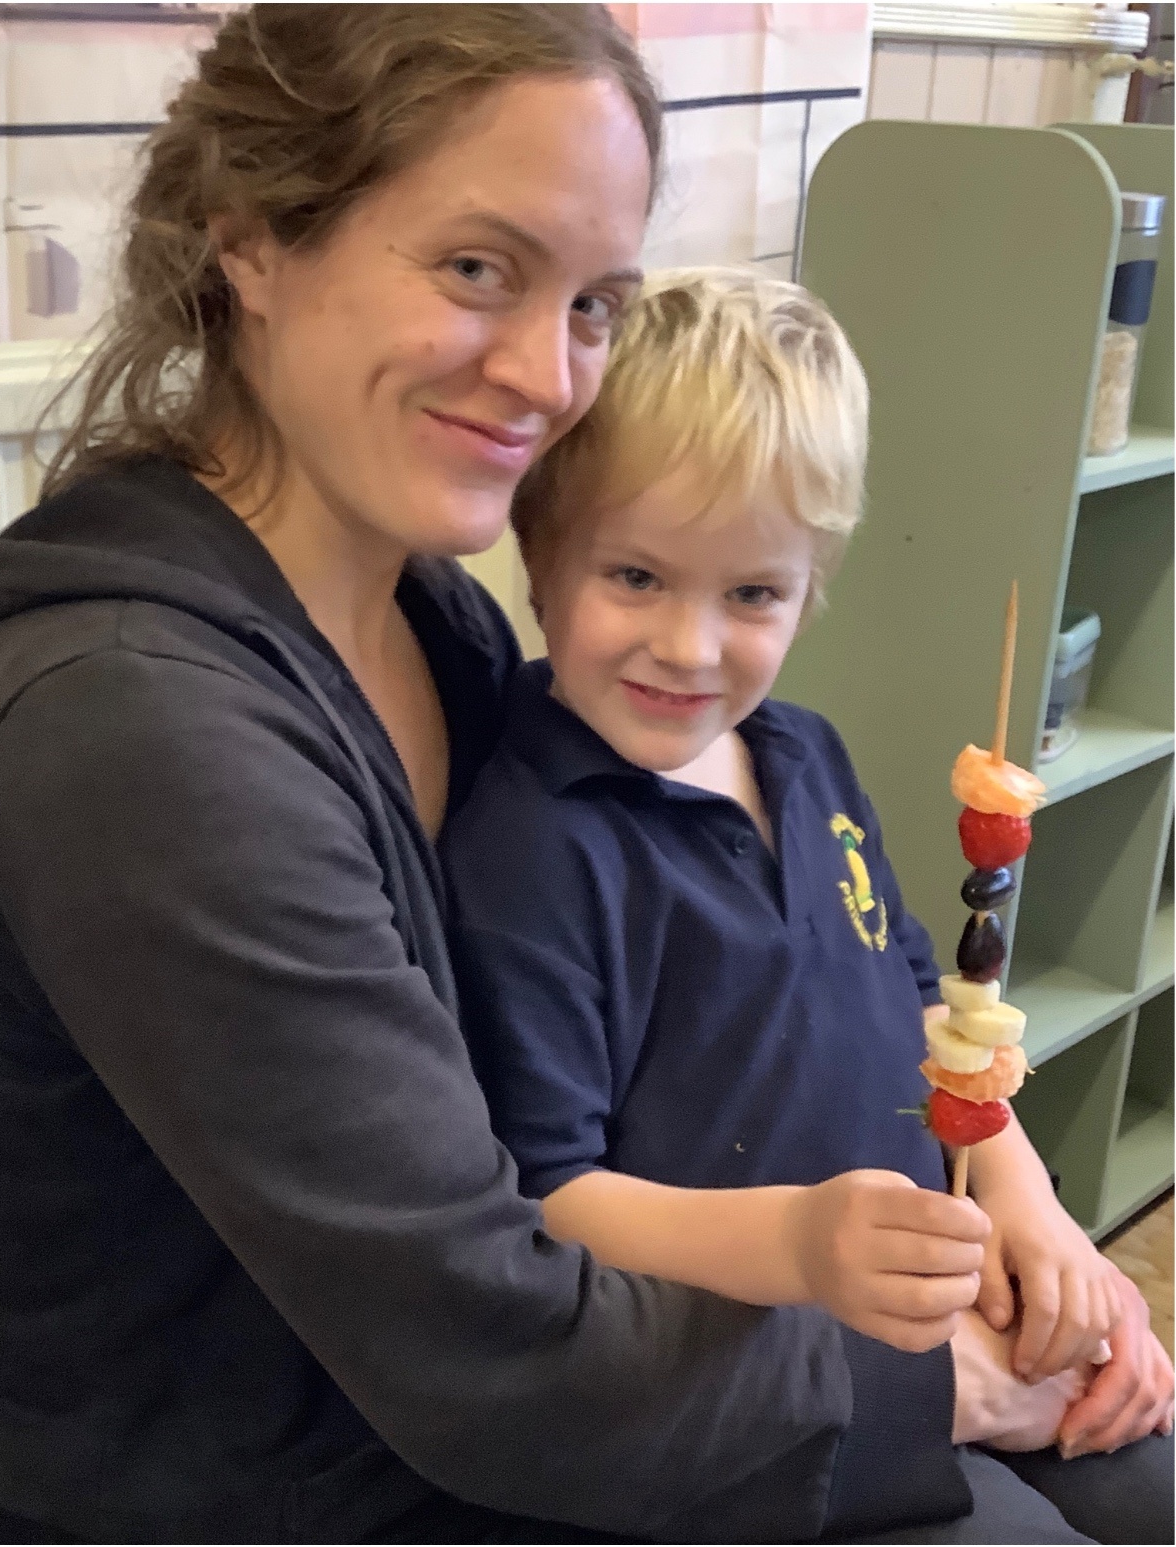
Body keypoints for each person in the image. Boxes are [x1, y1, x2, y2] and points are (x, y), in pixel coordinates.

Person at [0, 6, 1165, 1543]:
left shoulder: (435, 623)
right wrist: (921, 1385)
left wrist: (1001, 1249)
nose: (548, 377)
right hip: (297, 1490)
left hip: (478, 1400)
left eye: (594, 301)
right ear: (252, 239)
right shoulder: (130, 734)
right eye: (478, 267)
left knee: (1143, 1472)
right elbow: (483, 1333)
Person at [442, 268, 1175, 1543]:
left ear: (809, 587)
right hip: (763, 1393)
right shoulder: (526, 846)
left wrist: (1029, 1203)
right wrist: (803, 1240)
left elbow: (913, 995)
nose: (689, 646)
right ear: (538, 552)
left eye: (751, 594)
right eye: (635, 574)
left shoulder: (807, 758)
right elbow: (550, 1198)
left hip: (925, 1297)